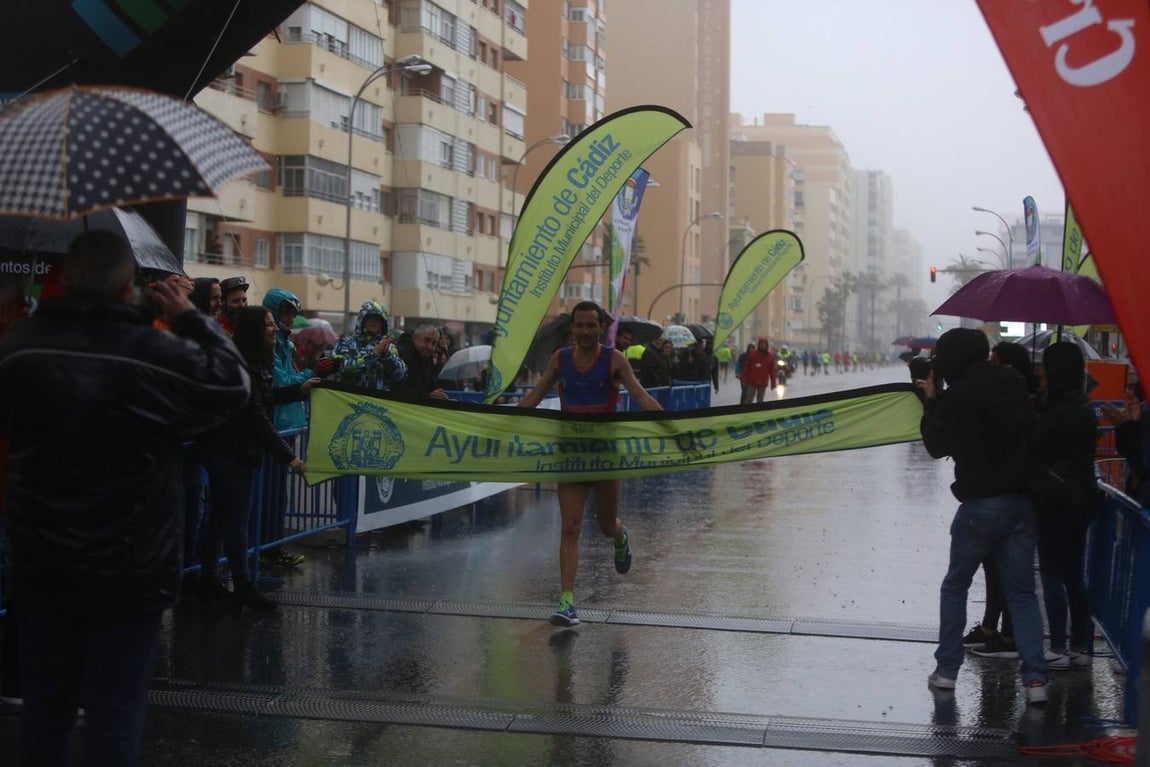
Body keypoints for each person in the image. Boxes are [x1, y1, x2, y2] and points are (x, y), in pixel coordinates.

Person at [0, 230, 250, 765]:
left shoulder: (21, 347)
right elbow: (232, 383)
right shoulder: (152, 352)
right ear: (125, 285)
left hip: (42, 566)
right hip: (130, 569)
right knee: (114, 720)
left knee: (45, 716)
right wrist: (188, 315)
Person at [917, 328, 1048, 704]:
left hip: (980, 507)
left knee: (955, 586)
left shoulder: (958, 394)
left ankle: (946, 671)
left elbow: (936, 444)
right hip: (1021, 504)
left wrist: (931, 401)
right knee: (1022, 594)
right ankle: (1036, 681)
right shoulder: (1012, 381)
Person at [517, 301, 663, 627]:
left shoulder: (614, 359)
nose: (584, 331)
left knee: (605, 525)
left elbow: (640, 396)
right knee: (570, 526)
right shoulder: (561, 359)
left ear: (601, 328)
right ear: (572, 329)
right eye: (579, 325)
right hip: (570, 454)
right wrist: (500, 421)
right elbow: (534, 396)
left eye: (590, 326)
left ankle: (620, 535)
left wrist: (674, 427)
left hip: (605, 455)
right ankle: (567, 602)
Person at [196, 306, 317, 609]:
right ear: (254, 330)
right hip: (229, 450)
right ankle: (243, 586)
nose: (275, 328)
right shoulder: (242, 364)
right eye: (268, 324)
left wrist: (301, 389)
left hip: (234, 449)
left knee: (219, 518)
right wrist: (291, 458)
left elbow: (269, 394)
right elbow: (255, 416)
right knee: (235, 520)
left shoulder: (257, 361)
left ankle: (208, 580)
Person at [1032, 342, 1099, 670]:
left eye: (1045, 365)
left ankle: (1057, 645)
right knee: (1074, 574)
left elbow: (1039, 445)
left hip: (1056, 500)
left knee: (1052, 573)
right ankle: (1081, 646)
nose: (1041, 371)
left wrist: (1039, 409)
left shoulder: (1057, 409)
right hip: (1083, 498)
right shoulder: (1083, 404)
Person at [331, 300, 408, 392]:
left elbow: (400, 376)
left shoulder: (389, 347)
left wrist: (387, 356)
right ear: (362, 320)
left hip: (379, 402)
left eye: (378, 319)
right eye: (370, 318)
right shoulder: (345, 343)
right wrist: (372, 356)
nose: (374, 321)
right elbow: (339, 368)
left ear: (383, 324)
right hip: (350, 399)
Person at [395, 322, 449, 400]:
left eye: (434, 343)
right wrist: (427, 396)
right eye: (426, 340)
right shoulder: (401, 356)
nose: (430, 347)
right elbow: (397, 388)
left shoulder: (427, 359)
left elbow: (430, 385)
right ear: (415, 338)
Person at [740, 338, 777, 404]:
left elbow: (772, 372)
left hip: (763, 381)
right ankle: (747, 413)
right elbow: (746, 368)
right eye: (762, 344)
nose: (763, 346)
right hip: (751, 381)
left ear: (767, 345)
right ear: (759, 345)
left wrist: (773, 383)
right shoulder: (753, 355)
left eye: (765, 344)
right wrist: (744, 380)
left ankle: (759, 413)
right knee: (749, 399)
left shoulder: (769, 357)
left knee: (760, 400)